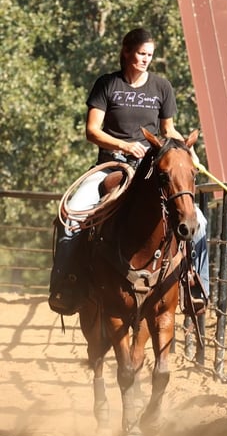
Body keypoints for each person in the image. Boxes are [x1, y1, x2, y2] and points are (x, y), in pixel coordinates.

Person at [49, 27, 208, 315]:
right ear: (126, 52)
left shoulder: (161, 87)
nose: (146, 59)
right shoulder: (107, 84)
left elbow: (168, 130)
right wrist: (124, 145)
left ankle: (195, 286)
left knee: (200, 222)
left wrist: (187, 151)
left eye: (150, 55)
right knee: (70, 218)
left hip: (150, 170)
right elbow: (92, 131)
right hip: (110, 165)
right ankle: (67, 285)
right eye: (141, 54)